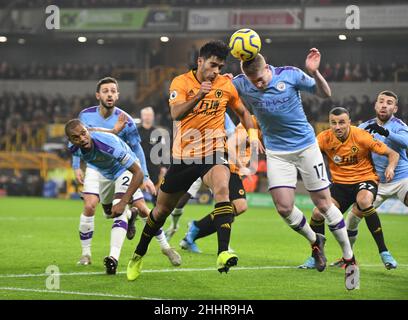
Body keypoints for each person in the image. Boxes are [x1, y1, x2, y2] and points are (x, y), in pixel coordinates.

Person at [126, 40, 262, 281]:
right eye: (212, 65)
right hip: (184, 157)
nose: (216, 71)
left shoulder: (225, 85)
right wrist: (199, 95)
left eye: (220, 66)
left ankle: (222, 252)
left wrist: (252, 135)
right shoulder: (181, 82)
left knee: (222, 189)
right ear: (200, 61)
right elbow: (176, 113)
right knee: (161, 211)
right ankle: (138, 255)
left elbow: (243, 113)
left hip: (214, 152)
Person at [233, 50, 359, 290]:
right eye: (252, 81)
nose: (257, 84)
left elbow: (325, 94)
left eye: (260, 79)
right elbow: (225, 96)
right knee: (283, 207)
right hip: (277, 153)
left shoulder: (290, 75)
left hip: (306, 148)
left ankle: (349, 257)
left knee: (324, 204)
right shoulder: (240, 82)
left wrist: (315, 73)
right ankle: (315, 241)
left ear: (267, 68)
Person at [73, 77, 179, 269]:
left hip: (122, 168)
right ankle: (90, 250)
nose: (110, 94)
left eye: (113, 91)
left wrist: (145, 176)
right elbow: (77, 140)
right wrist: (76, 166)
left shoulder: (126, 120)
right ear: (98, 95)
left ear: (118, 95)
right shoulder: (85, 116)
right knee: (98, 209)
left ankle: (165, 247)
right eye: (105, 91)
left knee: (142, 209)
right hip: (96, 167)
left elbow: (137, 148)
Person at [298, 107, 399, 270]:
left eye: (342, 122)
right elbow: (307, 156)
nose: (337, 127)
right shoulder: (324, 138)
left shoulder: (361, 136)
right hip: (340, 185)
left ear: (349, 123)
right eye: (333, 123)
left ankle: (384, 251)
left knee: (364, 200)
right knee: (317, 213)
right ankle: (315, 256)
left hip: (365, 180)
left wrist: (391, 168)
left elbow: (393, 153)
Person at [66, 119, 144, 275]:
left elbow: (138, 173)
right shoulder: (74, 148)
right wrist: (78, 170)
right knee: (109, 212)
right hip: (106, 173)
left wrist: (123, 201)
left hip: (125, 169)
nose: (82, 138)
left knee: (118, 209)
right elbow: (90, 134)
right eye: (76, 137)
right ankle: (131, 214)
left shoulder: (107, 145)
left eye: (83, 133)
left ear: (86, 131)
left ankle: (113, 258)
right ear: (70, 140)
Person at [179, 115, 262, 253]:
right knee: (239, 206)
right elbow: (229, 146)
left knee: (230, 209)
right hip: (229, 168)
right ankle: (197, 230)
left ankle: (194, 232)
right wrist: (242, 166)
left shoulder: (260, 127)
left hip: (233, 170)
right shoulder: (250, 124)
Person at [345, 90, 408, 269]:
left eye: (389, 103)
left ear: (394, 108)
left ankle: (383, 253)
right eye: (381, 101)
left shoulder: (398, 125)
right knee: (352, 218)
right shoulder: (365, 126)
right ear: (375, 105)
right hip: (377, 182)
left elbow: (406, 142)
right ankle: (348, 256)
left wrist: (385, 132)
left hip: (402, 178)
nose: (384, 105)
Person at [164, 112, 238, 242]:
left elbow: (232, 132)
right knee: (181, 200)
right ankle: (174, 226)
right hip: (192, 159)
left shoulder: (221, 112)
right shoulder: (191, 109)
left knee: (225, 201)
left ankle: (224, 242)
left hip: (213, 161)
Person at [138, 106, 166, 203]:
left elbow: (162, 150)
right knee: (136, 190)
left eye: (149, 115)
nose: (147, 117)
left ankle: (156, 215)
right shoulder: (136, 131)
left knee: (156, 191)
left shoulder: (157, 133)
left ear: (153, 117)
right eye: (145, 115)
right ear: (142, 116)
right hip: (139, 165)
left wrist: (163, 166)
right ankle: (134, 213)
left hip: (154, 166)